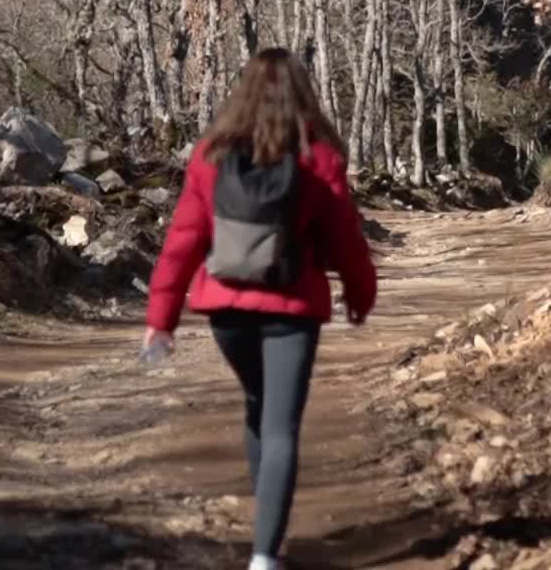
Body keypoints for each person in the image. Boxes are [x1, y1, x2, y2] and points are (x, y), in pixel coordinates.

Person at [144, 47, 377, 570]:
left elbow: (182, 241)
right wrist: (360, 297)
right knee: (280, 426)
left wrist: (161, 321)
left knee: (258, 402)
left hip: (227, 311)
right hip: (292, 309)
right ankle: (265, 555)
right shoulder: (320, 158)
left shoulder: (210, 155)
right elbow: (346, 242)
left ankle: (265, 529)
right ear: (303, 93)